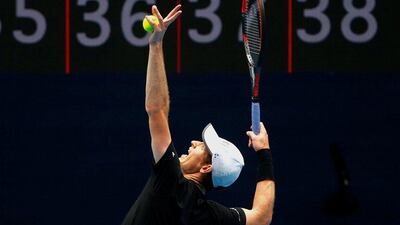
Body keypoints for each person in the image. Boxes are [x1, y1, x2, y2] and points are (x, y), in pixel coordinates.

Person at [121, 5, 275, 225]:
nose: (194, 143)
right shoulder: (213, 217)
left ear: (206, 168)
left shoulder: (172, 183)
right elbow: (262, 216)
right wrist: (265, 155)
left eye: (202, 147)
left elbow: (157, 111)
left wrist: (156, 44)